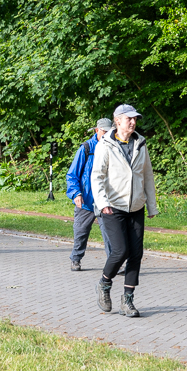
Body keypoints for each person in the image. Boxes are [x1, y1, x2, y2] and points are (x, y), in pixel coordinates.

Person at [91, 105, 158, 317]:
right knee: (120, 251)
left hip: (136, 206)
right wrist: (102, 203)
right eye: (129, 119)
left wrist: (151, 205)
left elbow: (147, 176)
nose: (133, 122)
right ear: (117, 120)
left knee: (136, 253)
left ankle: (128, 300)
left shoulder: (140, 143)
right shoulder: (105, 145)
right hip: (113, 206)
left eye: (135, 119)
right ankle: (104, 283)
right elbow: (97, 176)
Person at [66, 118, 113, 271]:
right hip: (86, 201)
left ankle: (114, 265)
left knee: (110, 235)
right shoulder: (86, 148)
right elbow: (72, 175)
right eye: (104, 132)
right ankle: (75, 259)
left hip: (105, 201)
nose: (107, 135)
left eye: (110, 132)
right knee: (81, 232)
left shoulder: (113, 148)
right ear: (97, 130)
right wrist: (76, 194)